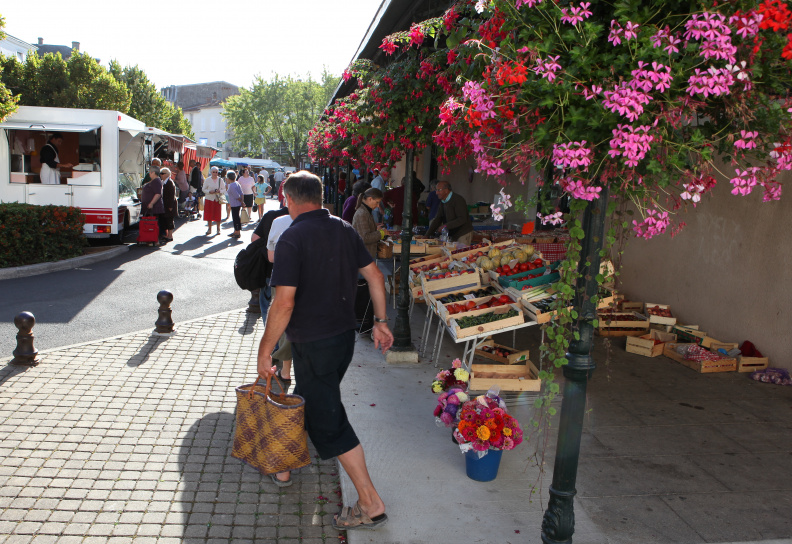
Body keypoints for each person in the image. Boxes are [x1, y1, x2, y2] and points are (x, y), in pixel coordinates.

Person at [256, 171, 392, 531]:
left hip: (314, 343)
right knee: (310, 398)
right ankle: (283, 466)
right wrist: (380, 321)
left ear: (289, 199)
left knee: (329, 422)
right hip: (342, 340)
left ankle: (370, 502)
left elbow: (282, 304)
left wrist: (265, 349)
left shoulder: (291, 238)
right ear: (318, 196)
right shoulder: (344, 228)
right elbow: (376, 276)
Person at [251, 204, 290, 320]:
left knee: (267, 307)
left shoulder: (272, 216)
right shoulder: (309, 218)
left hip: (270, 270)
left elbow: (254, 239)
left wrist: (268, 247)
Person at [426, 180, 474, 245]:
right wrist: (427, 235)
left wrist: (446, 226)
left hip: (463, 233)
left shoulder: (458, 200)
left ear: (446, 190)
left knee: (461, 253)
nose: (436, 193)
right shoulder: (443, 202)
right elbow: (438, 219)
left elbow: (462, 218)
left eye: (439, 190)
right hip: (453, 234)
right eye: (436, 190)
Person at [352, 187, 384, 259]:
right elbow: (364, 237)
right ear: (370, 199)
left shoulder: (366, 211)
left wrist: (376, 229)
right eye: (377, 202)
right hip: (362, 257)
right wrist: (380, 233)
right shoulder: (362, 213)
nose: (378, 206)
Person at [140, 166, 164, 239]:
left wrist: (151, 203)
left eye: (150, 172)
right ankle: (150, 238)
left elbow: (158, 193)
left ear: (153, 172)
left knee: (154, 224)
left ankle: (153, 239)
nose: (149, 174)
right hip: (151, 207)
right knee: (152, 224)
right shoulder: (154, 181)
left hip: (154, 208)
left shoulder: (156, 181)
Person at [202, 166, 226, 236]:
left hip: (217, 199)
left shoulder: (220, 180)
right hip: (209, 199)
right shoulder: (207, 180)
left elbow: (224, 189)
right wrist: (209, 191)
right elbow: (203, 189)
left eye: (216, 172)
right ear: (211, 172)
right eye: (213, 172)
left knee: (217, 214)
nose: (215, 173)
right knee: (209, 214)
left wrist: (220, 191)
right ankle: (209, 229)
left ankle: (218, 229)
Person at [159, 167, 177, 242]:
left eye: (162, 173)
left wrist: (170, 206)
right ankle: (166, 235)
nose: (161, 175)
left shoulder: (170, 183)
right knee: (165, 219)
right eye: (161, 173)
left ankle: (170, 235)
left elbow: (171, 196)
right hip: (165, 204)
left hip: (169, 205)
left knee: (169, 220)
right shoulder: (163, 182)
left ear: (167, 174)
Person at [225, 170, 244, 239]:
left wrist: (241, 201)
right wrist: (242, 201)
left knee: (235, 218)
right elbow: (241, 193)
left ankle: (237, 232)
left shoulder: (232, 185)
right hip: (237, 204)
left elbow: (236, 196)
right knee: (236, 218)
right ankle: (236, 231)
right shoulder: (236, 183)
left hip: (234, 204)